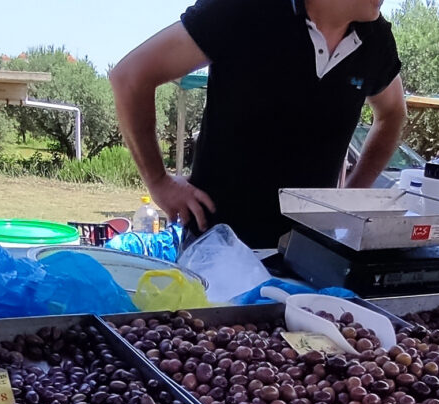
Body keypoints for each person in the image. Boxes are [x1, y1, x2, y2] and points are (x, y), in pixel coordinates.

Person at [110, 0, 407, 249]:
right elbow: (130, 77)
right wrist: (159, 182)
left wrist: (352, 196)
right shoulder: (245, 9)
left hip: (310, 253)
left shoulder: (375, 40)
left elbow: (393, 114)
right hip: (218, 252)